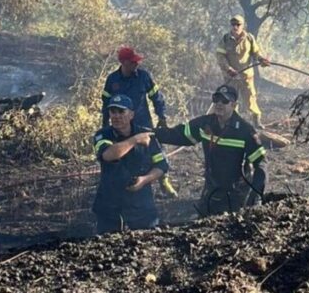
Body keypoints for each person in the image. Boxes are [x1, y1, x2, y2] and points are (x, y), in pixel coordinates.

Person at [156, 84, 266, 216]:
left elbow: (261, 164)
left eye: (225, 101)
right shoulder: (205, 124)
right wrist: (151, 134)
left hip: (236, 194)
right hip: (211, 191)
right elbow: (177, 134)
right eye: (216, 99)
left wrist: (256, 195)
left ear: (234, 105)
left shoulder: (245, 131)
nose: (219, 104)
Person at [101, 46, 177, 197]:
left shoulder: (144, 77)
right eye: (133, 61)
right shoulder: (112, 80)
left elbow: (157, 97)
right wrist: (105, 124)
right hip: (120, 126)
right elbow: (105, 103)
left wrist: (161, 117)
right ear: (124, 62)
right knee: (123, 152)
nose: (137, 64)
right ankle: (126, 184)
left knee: (156, 151)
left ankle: (164, 180)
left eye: (137, 61)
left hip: (143, 122)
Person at [91, 94, 170, 234]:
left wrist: (144, 180)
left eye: (121, 111)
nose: (116, 116)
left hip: (141, 203)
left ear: (131, 114)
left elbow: (162, 165)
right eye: (113, 112)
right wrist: (135, 140)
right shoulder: (103, 135)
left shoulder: (146, 134)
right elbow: (109, 155)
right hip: (110, 204)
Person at [215, 15, 271, 129]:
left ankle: (257, 122)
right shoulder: (225, 39)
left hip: (246, 77)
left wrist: (261, 60)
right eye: (233, 24)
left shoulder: (249, 38)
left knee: (251, 100)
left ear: (243, 25)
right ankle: (232, 124)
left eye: (238, 24)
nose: (235, 27)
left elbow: (256, 53)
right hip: (230, 77)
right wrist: (228, 69)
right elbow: (220, 56)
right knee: (231, 101)